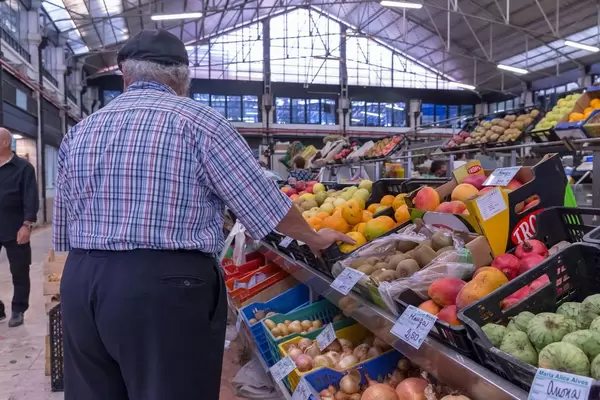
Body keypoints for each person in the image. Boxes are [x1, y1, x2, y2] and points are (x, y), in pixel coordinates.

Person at [52, 29, 353, 400]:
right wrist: (315, 237)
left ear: (125, 77)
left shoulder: (80, 132)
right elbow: (264, 204)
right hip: (163, 289)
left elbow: (64, 223)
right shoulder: (201, 123)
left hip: (83, 281)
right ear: (182, 79)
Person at [0, 128, 38, 327]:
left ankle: (18, 310)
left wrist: (27, 225)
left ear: (5, 143)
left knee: (20, 271)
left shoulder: (23, 168)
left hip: (16, 228)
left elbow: (30, 198)